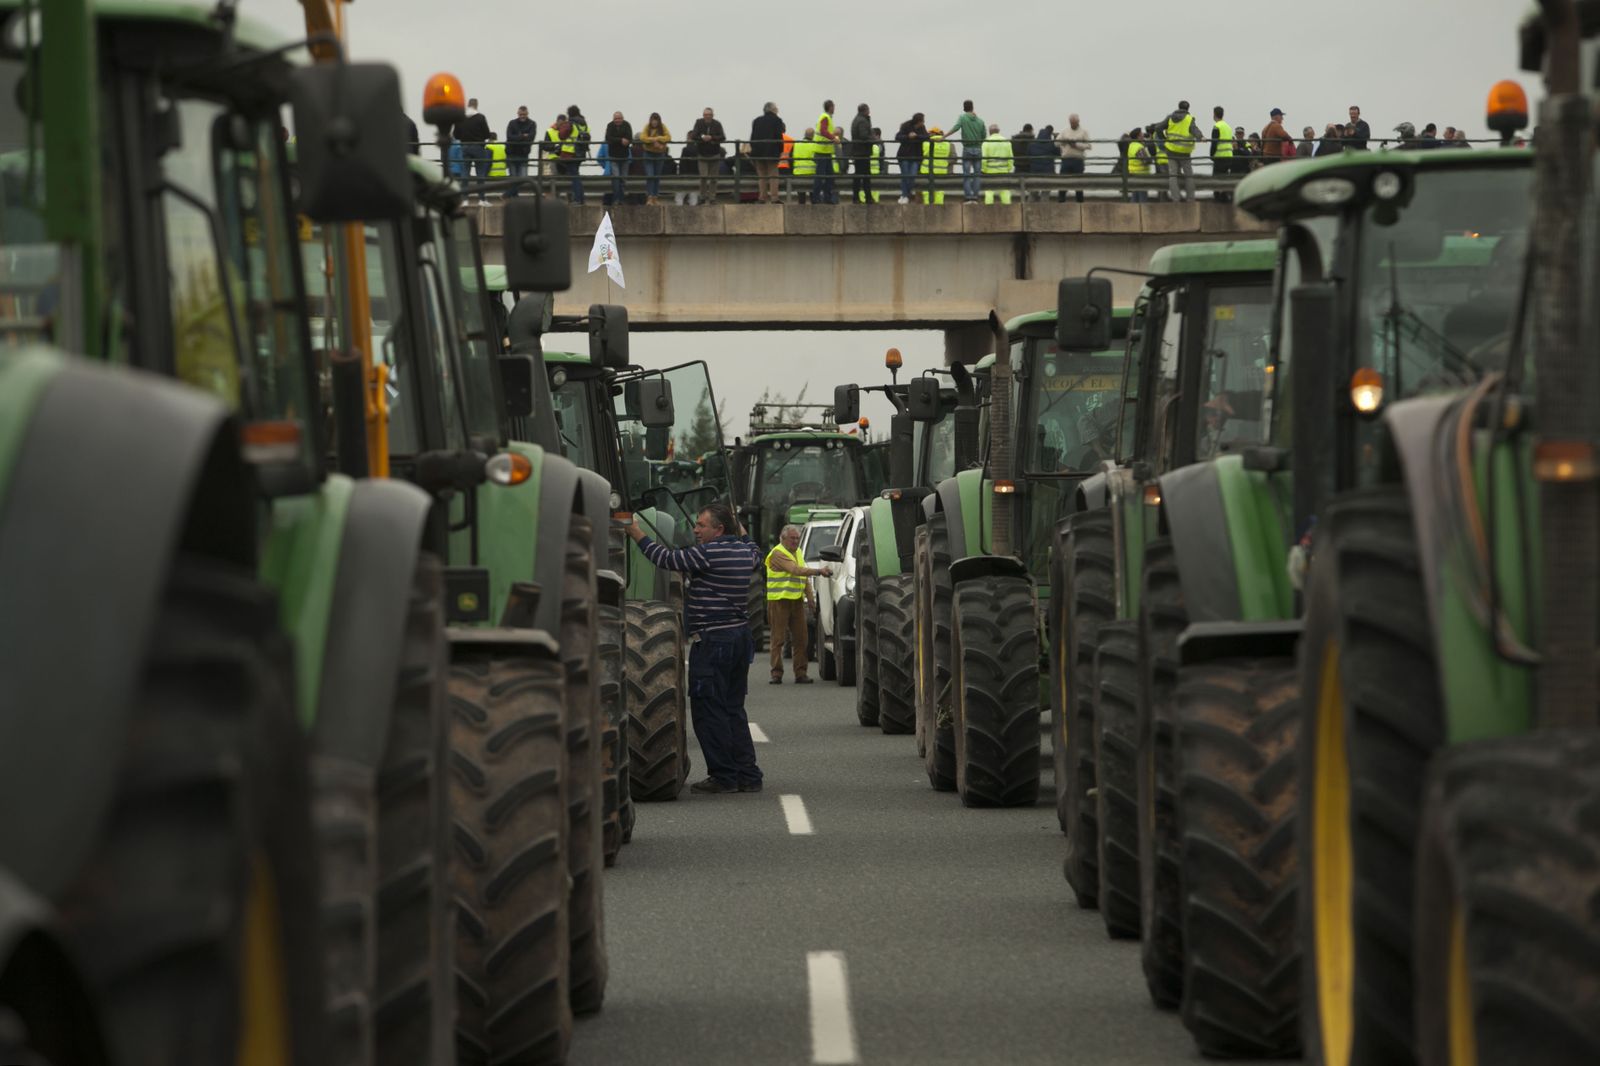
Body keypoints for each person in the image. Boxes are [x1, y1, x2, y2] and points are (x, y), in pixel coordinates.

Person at [628, 503, 766, 794]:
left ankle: (724, 776)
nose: (696, 529)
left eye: (702, 525)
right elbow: (756, 551)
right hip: (740, 638)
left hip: (714, 640)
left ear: (719, 530)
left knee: (708, 711)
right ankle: (748, 774)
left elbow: (664, 558)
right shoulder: (745, 553)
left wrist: (635, 531)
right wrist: (740, 526)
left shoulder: (709, 553)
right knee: (733, 708)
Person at [764, 524, 831, 684]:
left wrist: (811, 599)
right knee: (778, 639)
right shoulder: (778, 553)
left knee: (801, 639)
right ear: (783, 538)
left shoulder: (798, 552)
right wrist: (819, 572)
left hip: (796, 602)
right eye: (792, 538)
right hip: (779, 601)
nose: (795, 541)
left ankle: (801, 673)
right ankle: (776, 673)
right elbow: (795, 570)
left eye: (797, 538)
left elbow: (803, 579)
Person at [747, 102, 786, 205]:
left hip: (758, 152)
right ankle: (774, 198)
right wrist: (781, 150)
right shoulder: (777, 120)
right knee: (773, 175)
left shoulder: (756, 121)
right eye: (776, 108)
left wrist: (754, 150)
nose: (777, 109)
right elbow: (779, 136)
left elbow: (752, 138)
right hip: (771, 152)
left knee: (762, 176)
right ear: (772, 109)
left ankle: (762, 197)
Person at [454, 97, 492, 201]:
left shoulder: (460, 118)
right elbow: (487, 134)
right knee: (480, 173)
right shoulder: (480, 117)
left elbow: (456, 135)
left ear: (468, 105)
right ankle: (482, 199)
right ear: (476, 105)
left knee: (465, 173)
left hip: (465, 147)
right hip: (478, 147)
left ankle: (464, 199)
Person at [950, 99, 987, 202]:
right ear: (972, 107)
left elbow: (956, 128)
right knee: (977, 174)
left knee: (966, 174)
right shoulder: (980, 121)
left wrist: (944, 136)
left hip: (967, 149)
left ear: (964, 107)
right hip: (978, 149)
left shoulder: (962, 117)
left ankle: (968, 196)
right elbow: (984, 136)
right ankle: (975, 196)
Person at [1163, 100, 1200, 202]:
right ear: (1188, 108)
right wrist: (1201, 137)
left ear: (1178, 107)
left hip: (1171, 150)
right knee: (1188, 175)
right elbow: (1195, 130)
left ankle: (1176, 199)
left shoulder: (1170, 117)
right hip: (1184, 152)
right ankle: (1190, 199)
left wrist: (1163, 139)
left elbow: (1158, 128)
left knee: (1173, 175)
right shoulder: (1189, 119)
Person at [690, 106, 726, 203]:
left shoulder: (717, 124)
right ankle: (702, 196)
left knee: (714, 178)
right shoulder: (698, 123)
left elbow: (723, 137)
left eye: (709, 115)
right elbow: (693, 136)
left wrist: (712, 137)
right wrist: (702, 138)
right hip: (702, 154)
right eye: (706, 115)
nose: (708, 117)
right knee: (703, 177)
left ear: (713, 115)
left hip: (715, 154)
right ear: (703, 115)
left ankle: (712, 197)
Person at [812, 100, 841, 205]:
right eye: (833, 106)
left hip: (826, 151)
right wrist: (834, 137)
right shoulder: (825, 117)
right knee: (820, 176)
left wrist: (833, 135)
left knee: (829, 176)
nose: (835, 108)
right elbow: (823, 131)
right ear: (830, 107)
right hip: (821, 151)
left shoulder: (827, 117)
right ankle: (816, 198)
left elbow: (825, 131)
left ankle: (827, 198)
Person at [1056, 114, 1089, 201]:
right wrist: (1065, 141)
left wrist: (1076, 145)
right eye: (1071, 123)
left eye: (1074, 123)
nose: (1073, 124)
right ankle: (1061, 201)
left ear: (1078, 122)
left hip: (1078, 160)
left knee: (1078, 183)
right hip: (1066, 160)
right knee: (1063, 182)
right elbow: (1056, 143)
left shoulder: (1084, 132)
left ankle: (1080, 202)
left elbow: (1089, 146)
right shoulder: (1064, 131)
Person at [601, 111, 633, 204]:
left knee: (623, 179)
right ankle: (616, 199)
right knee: (616, 178)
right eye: (616, 119)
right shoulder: (610, 126)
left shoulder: (627, 125)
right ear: (613, 119)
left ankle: (621, 199)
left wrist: (619, 140)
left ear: (622, 118)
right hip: (613, 156)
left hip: (624, 156)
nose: (617, 120)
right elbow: (608, 138)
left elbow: (629, 138)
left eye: (619, 118)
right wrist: (621, 140)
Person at [894, 113, 926, 203]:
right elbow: (897, 137)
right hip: (904, 155)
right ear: (918, 121)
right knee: (905, 176)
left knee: (912, 176)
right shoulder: (906, 125)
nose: (923, 123)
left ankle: (907, 194)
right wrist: (908, 136)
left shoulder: (922, 128)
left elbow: (926, 136)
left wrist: (916, 136)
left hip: (916, 156)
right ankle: (904, 195)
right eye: (922, 121)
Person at [639, 113, 670, 203]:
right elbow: (642, 137)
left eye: (656, 120)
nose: (654, 122)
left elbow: (668, 137)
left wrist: (659, 138)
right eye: (653, 120)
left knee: (656, 176)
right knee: (650, 175)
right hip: (648, 154)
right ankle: (650, 196)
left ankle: (655, 197)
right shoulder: (647, 127)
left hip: (659, 154)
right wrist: (653, 140)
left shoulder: (662, 127)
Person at [505, 106, 536, 195]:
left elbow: (531, 137)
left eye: (524, 114)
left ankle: (506, 195)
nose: (522, 116)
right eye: (521, 114)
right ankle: (514, 197)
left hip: (523, 154)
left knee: (523, 178)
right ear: (518, 114)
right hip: (512, 154)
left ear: (527, 114)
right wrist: (523, 136)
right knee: (514, 178)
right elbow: (509, 137)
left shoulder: (532, 124)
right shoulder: (512, 123)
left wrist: (517, 137)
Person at [981, 122, 1015, 204]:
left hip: (990, 171)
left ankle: (988, 208)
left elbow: (984, 159)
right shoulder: (1006, 142)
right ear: (998, 131)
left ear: (989, 132)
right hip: (1004, 171)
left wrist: (984, 170)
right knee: (1005, 191)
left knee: (989, 191)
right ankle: (1007, 207)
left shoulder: (986, 142)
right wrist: (1008, 168)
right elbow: (1011, 158)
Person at [921, 127, 954, 203]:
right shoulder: (947, 144)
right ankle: (939, 206)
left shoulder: (926, 143)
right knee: (939, 190)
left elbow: (924, 154)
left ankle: (928, 205)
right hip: (942, 170)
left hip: (927, 170)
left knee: (926, 190)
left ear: (933, 133)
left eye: (930, 133)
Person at [850, 103, 874, 204]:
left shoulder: (857, 119)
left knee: (859, 175)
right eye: (868, 110)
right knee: (865, 176)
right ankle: (867, 197)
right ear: (865, 110)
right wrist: (874, 139)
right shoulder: (862, 121)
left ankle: (857, 197)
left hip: (858, 151)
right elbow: (863, 135)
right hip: (862, 152)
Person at [1209, 105, 1234, 201]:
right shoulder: (1227, 126)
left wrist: (1212, 155)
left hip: (1220, 156)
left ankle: (1218, 198)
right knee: (1224, 178)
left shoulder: (1217, 127)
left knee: (1216, 178)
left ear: (1214, 115)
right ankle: (1224, 196)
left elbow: (1214, 142)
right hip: (1229, 155)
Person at [1125, 127, 1151, 202]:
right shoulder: (1138, 147)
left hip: (1134, 173)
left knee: (1135, 195)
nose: (1143, 135)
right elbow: (1145, 160)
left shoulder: (1132, 145)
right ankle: (1142, 211)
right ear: (1138, 136)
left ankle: (1132, 211)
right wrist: (1151, 159)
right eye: (1141, 134)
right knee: (1142, 196)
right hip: (1141, 174)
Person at [790, 129, 816, 203]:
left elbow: (791, 158)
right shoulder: (815, 145)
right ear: (813, 136)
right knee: (813, 197)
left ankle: (800, 211)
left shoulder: (797, 144)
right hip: (812, 173)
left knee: (801, 198)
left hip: (798, 173)